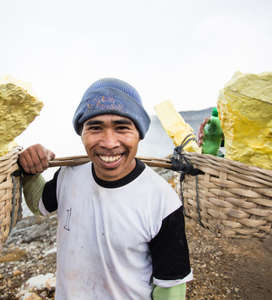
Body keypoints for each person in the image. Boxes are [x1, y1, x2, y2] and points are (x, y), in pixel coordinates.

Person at [18, 78, 192, 300]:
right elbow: (38, 204)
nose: (109, 143)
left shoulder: (162, 201)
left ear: (139, 133)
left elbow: (171, 288)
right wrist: (31, 167)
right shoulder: (68, 175)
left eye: (122, 128)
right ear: (82, 133)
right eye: (95, 128)